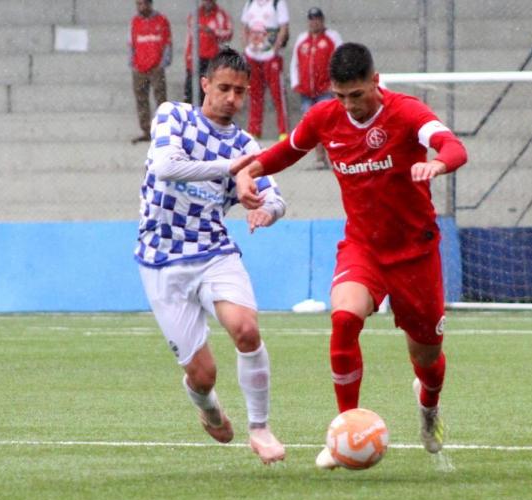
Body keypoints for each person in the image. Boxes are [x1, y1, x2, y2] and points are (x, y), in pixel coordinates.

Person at [233, 43, 468, 469]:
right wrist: (251, 170)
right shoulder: (326, 117)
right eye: (340, 96)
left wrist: (438, 165)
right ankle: (344, 431)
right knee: (343, 319)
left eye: (356, 95)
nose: (349, 106)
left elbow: (453, 146)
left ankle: (429, 407)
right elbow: (289, 151)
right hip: (364, 247)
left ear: (375, 83)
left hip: (415, 253)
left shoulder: (408, 112)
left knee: (428, 359)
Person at [135, 47, 287, 464]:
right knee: (203, 376)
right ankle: (208, 407)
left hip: (212, 250)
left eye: (240, 92)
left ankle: (260, 428)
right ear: (205, 85)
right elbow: (166, 166)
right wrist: (230, 167)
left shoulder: (245, 144)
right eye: (223, 88)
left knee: (246, 329)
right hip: (161, 257)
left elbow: (277, 199)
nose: (231, 99)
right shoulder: (174, 115)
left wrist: (262, 209)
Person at [290, 7, 342, 169]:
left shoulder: (332, 38)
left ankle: (335, 156)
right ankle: (320, 157)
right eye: (311, 19)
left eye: (317, 18)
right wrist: (295, 82)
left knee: (327, 124)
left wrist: (337, 83)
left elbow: (340, 60)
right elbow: (295, 63)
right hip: (306, 91)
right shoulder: (302, 40)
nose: (314, 22)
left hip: (325, 89)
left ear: (322, 20)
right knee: (312, 125)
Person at [241, 0, 290, 140]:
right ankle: (254, 130)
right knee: (254, 94)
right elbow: (244, 26)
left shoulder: (277, 3)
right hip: (253, 55)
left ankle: (283, 131)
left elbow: (283, 27)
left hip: (270, 55)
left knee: (278, 95)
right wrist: (246, 48)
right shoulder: (250, 3)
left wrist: (275, 48)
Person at [129, 0, 172, 144]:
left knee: (160, 98)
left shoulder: (161, 20)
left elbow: (167, 43)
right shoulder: (135, 21)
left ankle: (163, 130)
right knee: (141, 99)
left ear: (150, 4)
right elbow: (131, 43)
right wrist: (133, 63)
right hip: (139, 67)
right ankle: (146, 130)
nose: (141, 7)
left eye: (143, 4)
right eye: (138, 4)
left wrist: (163, 63)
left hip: (156, 67)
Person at [184, 0, 233, 105]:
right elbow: (189, 38)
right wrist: (188, 57)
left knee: (209, 95)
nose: (207, 3)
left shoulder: (221, 15)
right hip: (196, 58)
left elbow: (228, 33)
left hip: (212, 60)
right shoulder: (194, 15)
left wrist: (212, 31)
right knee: (190, 94)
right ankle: (191, 119)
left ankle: (207, 120)